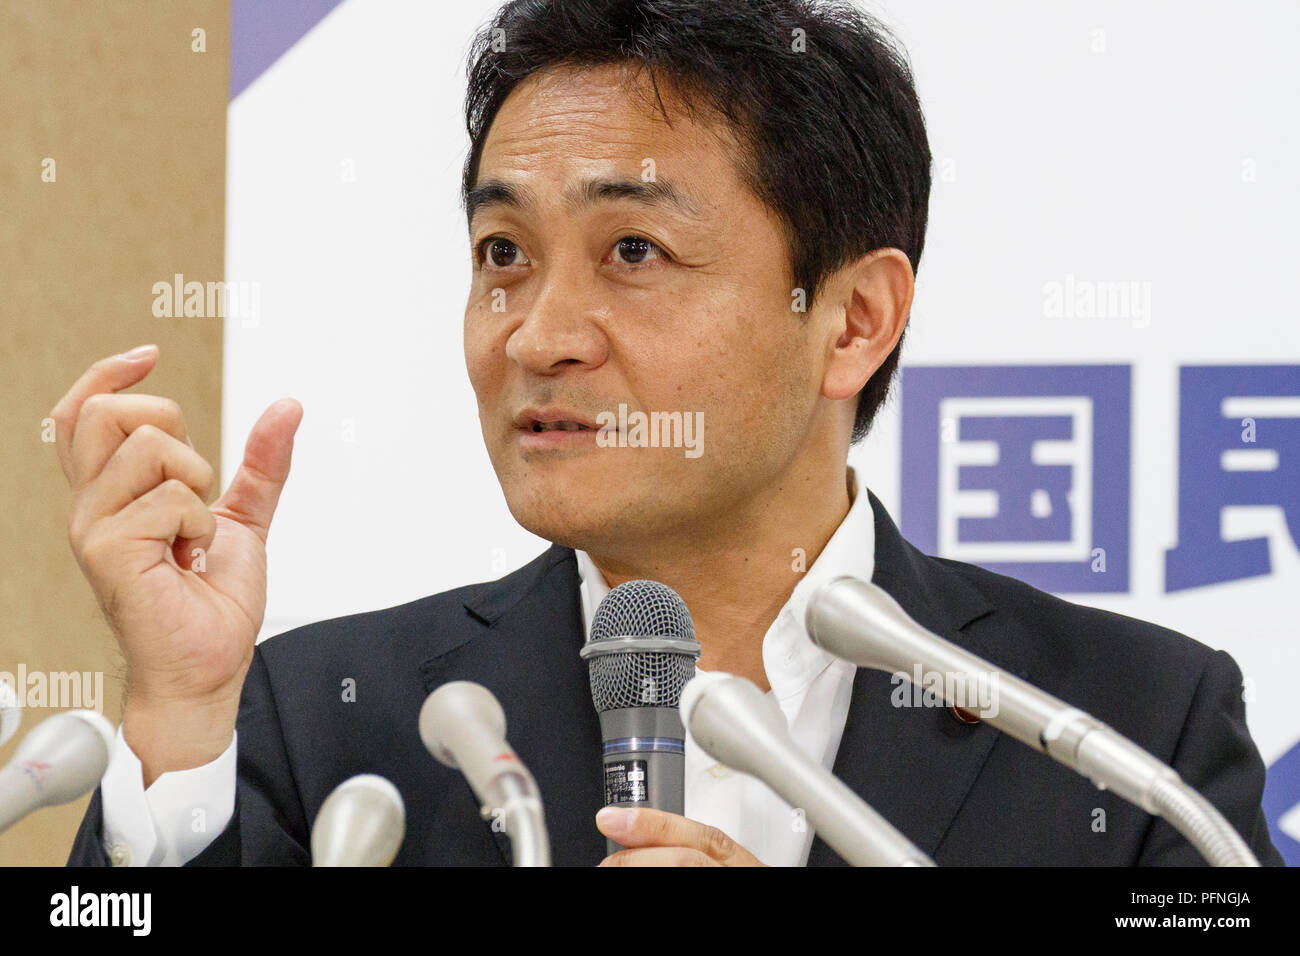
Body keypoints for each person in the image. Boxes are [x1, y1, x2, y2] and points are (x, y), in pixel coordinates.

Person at [60, 0, 1280, 866]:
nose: (538, 333)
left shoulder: (1124, 727)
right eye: (503, 255)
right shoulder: (320, 719)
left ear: (852, 319)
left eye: (631, 251)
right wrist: (174, 719)